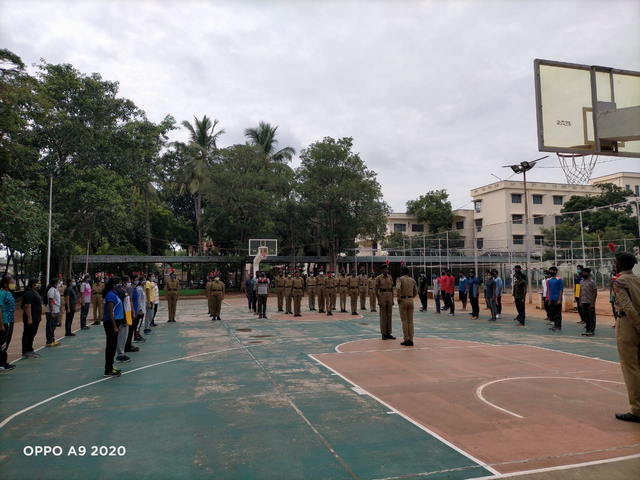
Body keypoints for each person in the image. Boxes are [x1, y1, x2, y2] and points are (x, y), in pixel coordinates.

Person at [611, 251, 640, 423]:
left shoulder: (619, 281)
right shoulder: (638, 279)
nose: (614, 265)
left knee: (631, 369)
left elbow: (628, 308)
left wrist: (638, 326)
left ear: (620, 265)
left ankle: (637, 410)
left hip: (629, 325)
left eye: (615, 262)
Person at [102, 276, 124, 378]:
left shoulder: (115, 294)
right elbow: (110, 312)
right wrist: (114, 326)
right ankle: (108, 369)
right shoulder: (110, 295)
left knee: (113, 345)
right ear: (114, 285)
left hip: (115, 321)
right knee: (110, 346)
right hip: (111, 323)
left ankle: (110, 366)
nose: (121, 284)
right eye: (119, 283)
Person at [396, 266, 418, 346]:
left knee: (404, 321)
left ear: (402, 272)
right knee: (410, 320)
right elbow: (416, 291)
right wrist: (411, 297)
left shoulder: (400, 279)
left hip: (403, 300)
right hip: (410, 300)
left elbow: (398, 288)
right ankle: (411, 339)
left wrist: (399, 298)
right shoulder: (412, 280)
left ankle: (406, 339)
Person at [21, 278, 43, 359]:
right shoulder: (29, 293)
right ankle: (25, 351)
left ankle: (30, 349)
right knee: (28, 333)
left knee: (32, 333)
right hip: (31, 317)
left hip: (36, 317)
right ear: (33, 284)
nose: (39, 285)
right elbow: (27, 306)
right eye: (38, 283)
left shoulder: (36, 292)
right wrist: (29, 318)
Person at [0, 275, 17, 370]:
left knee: (7, 341)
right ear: (5, 284)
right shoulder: (1, 293)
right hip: (5, 319)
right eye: (11, 283)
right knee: (3, 342)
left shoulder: (9, 293)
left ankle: (4, 361)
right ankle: (1, 363)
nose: (13, 284)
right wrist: (1, 324)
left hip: (10, 319)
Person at [375, 265, 395, 340]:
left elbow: (392, 288)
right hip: (382, 295)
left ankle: (388, 332)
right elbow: (376, 289)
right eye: (385, 269)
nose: (386, 271)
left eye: (387, 269)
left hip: (389, 294)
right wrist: (378, 300)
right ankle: (383, 333)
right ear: (382, 270)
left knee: (389, 315)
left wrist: (392, 299)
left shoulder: (390, 277)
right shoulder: (379, 278)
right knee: (383, 315)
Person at [115, 276, 131, 364]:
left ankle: (122, 353)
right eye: (128, 281)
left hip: (127, 316)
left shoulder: (124, 292)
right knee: (121, 337)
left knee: (124, 337)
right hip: (123, 318)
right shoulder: (120, 293)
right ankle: (120, 355)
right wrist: (123, 320)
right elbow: (121, 307)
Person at [579, 268, 597, 336]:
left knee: (591, 316)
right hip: (583, 301)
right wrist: (580, 301)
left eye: (585, 273)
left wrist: (593, 303)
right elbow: (581, 291)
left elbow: (595, 292)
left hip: (589, 302)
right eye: (583, 272)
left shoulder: (592, 282)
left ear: (588, 273)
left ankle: (591, 330)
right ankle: (587, 329)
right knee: (585, 316)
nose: (583, 274)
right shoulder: (581, 282)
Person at [44, 277, 61, 347]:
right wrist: (52, 312)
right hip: (51, 310)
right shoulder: (51, 290)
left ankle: (52, 339)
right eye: (58, 282)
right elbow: (50, 301)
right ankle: (49, 341)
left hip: (56, 310)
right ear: (55, 283)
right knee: (50, 326)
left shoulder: (56, 290)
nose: (59, 283)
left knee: (53, 326)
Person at [547, 266, 564, 332]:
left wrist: (559, 299)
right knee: (553, 312)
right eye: (550, 271)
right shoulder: (550, 280)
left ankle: (558, 326)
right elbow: (550, 290)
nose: (550, 272)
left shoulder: (559, 279)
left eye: (552, 271)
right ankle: (555, 325)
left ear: (555, 271)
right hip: (551, 298)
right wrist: (549, 299)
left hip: (557, 298)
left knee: (557, 313)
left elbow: (561, 290)